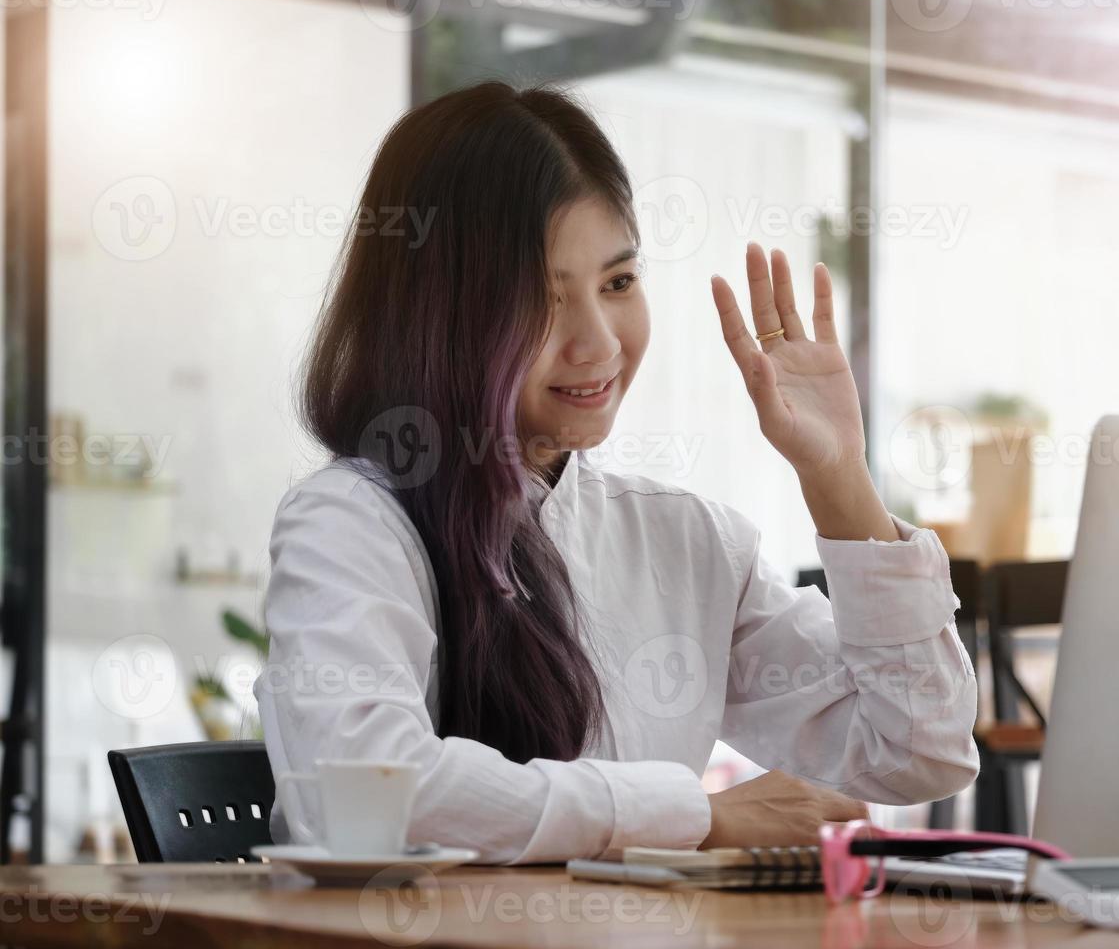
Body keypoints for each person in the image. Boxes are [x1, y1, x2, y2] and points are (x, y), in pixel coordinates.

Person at [253, 81, 979, 864]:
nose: (598, 343)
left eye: (619, 283)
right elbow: (361, 793)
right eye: (541, 297)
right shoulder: (351, 521)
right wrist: (693, 817)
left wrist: (838, 478)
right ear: (437, 314)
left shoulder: (685, 541)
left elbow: (917, 750)